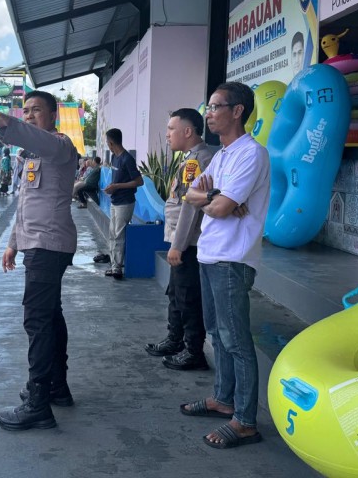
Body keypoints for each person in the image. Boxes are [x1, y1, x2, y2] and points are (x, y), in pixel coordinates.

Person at [0, 90, 78, 431]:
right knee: (50, 316)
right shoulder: (28, 155)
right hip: (36, 243)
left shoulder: (61, 146)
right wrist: (12, 243)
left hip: (49, 245)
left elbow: (46, 143)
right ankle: (56, 386)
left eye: (37, 110)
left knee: (36, 321)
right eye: (26, 110)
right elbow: (25, 206)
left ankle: (38, 402)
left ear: (53, 116)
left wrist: (9, 124)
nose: (31, 115)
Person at [182, 82, 270, 449]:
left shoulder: (252, 154)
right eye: (209, 106)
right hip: (208, 253)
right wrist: (218, 196)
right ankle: (223, 399)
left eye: (216, 106)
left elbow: (213, 207)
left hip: (232, 259)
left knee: (236, 341)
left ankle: (246, 421)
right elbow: (186, 192)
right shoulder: (219, 156)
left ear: (237, 111)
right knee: (217, 335)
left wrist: (216, 200)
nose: (209, 113)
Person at [145, 109, 215, 371]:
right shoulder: (190, 159)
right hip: (182, 240)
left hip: (189, 243)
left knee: (187, 297)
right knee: (176, 292)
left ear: (188, 131)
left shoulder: (199, 160)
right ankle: (176, 340)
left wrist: (178, 245)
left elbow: (190, 207)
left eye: (171, 129)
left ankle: (193, 351)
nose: (167, 135)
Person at [101, 128, 143, 280]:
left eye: (107, 142)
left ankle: (117, 267)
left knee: (118, 234)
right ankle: (114, 264)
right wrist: (112, 187)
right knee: (112, 233)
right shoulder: (114, 157)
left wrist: (117, 186)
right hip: (115, 201)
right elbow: (117, 179)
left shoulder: (127, 159)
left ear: (111, 143)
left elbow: (139, 181)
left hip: (125, 202)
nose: (108, 145)